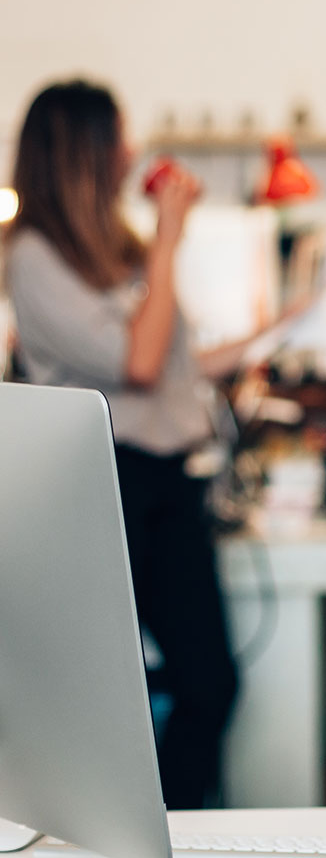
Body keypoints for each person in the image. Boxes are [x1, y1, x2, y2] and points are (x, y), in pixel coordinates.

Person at [5, 79, 246, 809]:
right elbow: (137, 365)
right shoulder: (33, 258)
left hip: (167, 481)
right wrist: (169, 240)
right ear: (85, 150)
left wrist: (275, 329)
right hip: (103, 484)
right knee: (110, 692)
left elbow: (170, 363)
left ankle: (166, 830)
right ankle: (134, 831)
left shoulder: (117, 249)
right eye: (118, 137)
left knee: (211, 681)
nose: (132, 152)